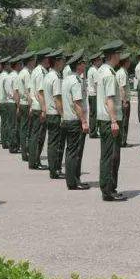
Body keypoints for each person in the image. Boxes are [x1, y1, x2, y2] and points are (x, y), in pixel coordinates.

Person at [97, 40, 127, 201]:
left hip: (105, 119)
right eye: (118, 53)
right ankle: (108, 190)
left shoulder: (102, 70)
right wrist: (114, 121)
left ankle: (109, 188)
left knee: (108, 155)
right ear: (113, 55)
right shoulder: (109, 74)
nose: (120, 56)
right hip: (110, 120)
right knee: (111, 156)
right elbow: (109, 99)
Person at [60, 50, 90, 190]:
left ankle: (73, 179)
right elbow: (78, 103)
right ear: (78, 65)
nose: (85, 65)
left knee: (70, 151)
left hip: (68, 119)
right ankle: (73, 181)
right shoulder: (76, 81)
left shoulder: (67, 79)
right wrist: (84, 121)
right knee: (75, 153)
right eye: (83, 63)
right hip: (75, 121)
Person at [42, 49, 65, 179]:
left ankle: (53, 169)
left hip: (50, 113)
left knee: (52, 142)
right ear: (57, 62)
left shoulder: (48, 76)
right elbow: (57, 99)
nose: (63, 63)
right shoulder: (55, 77)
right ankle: (55, 169)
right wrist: (63, 115)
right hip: (55, 114)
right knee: (56, 144)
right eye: (61, 60)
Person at [28, 49, 51, 170]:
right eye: (49, 59)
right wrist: (44, 109)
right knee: (38, 137)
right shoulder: (41, 72)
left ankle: (34, 161)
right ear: (45, 59)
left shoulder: (37, 70)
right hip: (39, 107)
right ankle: (35, 161)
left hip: (36, 106)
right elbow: (40, 92)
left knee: (35, 135)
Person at [18, 52, 34, 161]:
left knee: (23, 128)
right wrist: (31, 105)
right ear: (30, 61)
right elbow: (29, 91)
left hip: (22, 103)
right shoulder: (27, 73)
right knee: (27, 130)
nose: (34, 62)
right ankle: (25, 153)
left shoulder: (21, 73)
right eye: (33, 60)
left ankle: (24, 152)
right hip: (26, 104)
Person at [6, 55, 23, 154]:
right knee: (15, 126)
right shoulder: (16, 76)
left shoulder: (9, 76)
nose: (21, 66)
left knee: (11, 124)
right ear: (16, 65)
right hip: (13, 102)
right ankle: (13, 146)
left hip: (9, 101)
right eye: (20, 64)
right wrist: (18, 105)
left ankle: (11, 144)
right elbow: (16, 92)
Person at [115, 53, 132, 147]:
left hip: (120, 100)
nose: (129, 63)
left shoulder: (120, 72)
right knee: (124, 122)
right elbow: (122, 88)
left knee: (123, 121)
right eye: (128, 61)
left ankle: (122, 140)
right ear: (125, 62)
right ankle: (122, 141)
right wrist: (125, 101)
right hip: (123, 100)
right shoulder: (123, 73)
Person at [86, 53, 101, 139]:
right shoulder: (95, 71)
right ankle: (93, 132)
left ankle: (92, 131)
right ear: (95, 61)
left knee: (92, 114)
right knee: (94, 114)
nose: (100, 62)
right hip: (95, 94)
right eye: (99, 60)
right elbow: (97, 84)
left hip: (91, 94)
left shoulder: (90, 69)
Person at [0, 57, 9, 148]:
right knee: (6, 123)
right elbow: (8, 91)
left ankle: (4, 141)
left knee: (3, 123)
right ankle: (5, 141)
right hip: (5, 101)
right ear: (6, 66)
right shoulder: (6, 76)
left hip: (0, 101)